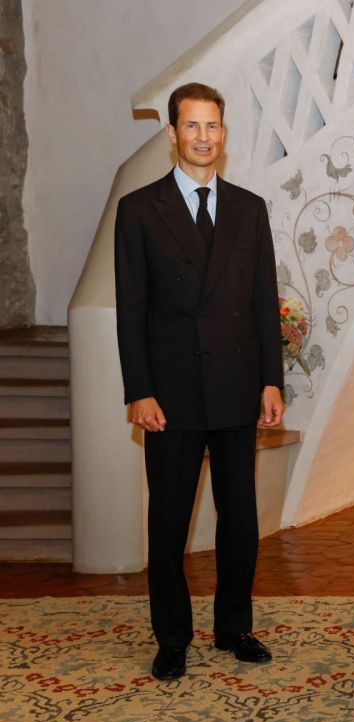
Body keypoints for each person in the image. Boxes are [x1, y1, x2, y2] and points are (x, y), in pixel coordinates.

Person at [115, 82, 285, 681]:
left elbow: (263, 302)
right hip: (171, 394)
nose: (203, 137)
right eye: (192, 126)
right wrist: (138, 390)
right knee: (169, 523)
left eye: (212, 126)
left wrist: (271, 381)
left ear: (223, 133)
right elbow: (131, 310)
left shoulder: (249, 208)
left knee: (240, 520)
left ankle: (234, 627)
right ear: (172, 133)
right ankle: (172, 637)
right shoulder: (139, 210)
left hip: (237, 387)